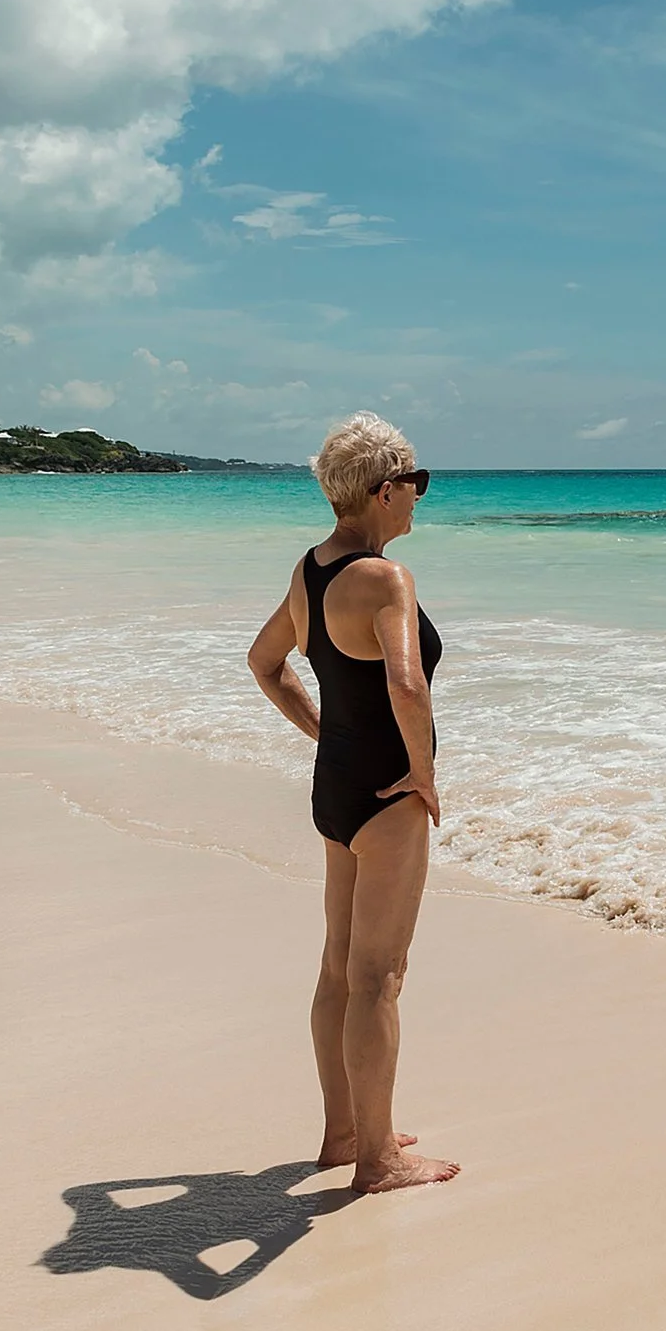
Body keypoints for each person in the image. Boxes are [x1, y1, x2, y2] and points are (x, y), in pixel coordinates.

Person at [247, 414, 457, 1193]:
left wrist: (323, 734)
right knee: (379, 978)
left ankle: (344, 1132)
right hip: (385, 796)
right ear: (382, 490)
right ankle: (379, 1160)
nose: (419, 500)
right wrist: (423, 772)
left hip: (336, 788)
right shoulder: (385, 579)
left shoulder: (312, 571)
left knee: (338, 971)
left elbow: (266, 663)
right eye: (415, 484)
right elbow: (407, 683)